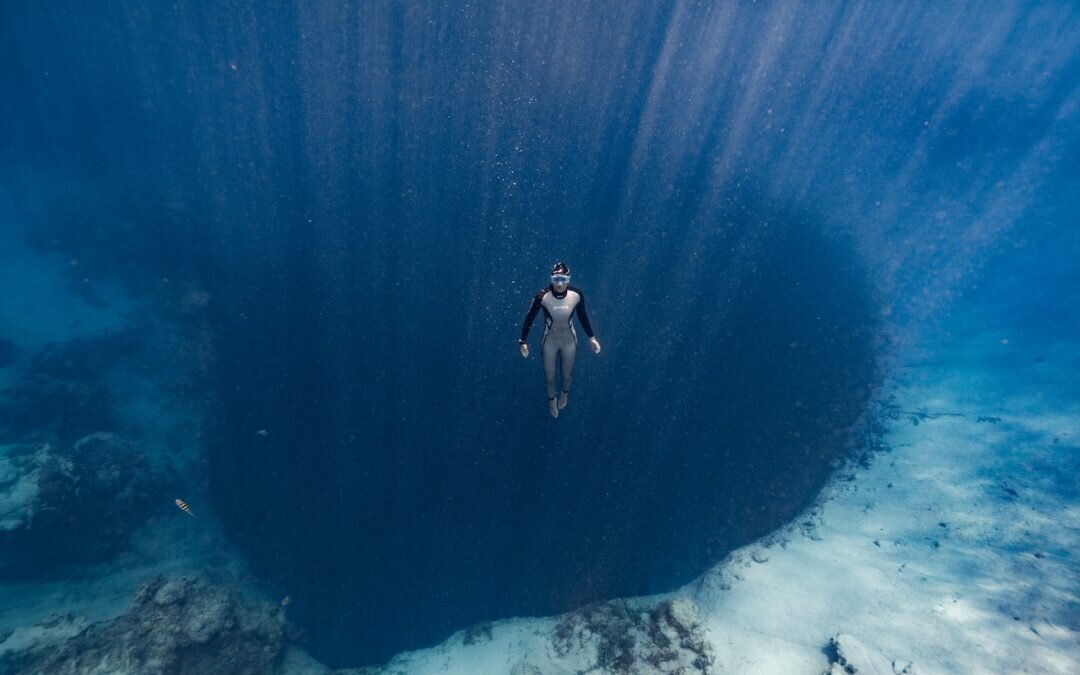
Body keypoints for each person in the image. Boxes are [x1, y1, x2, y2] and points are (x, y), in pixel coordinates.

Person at [519, 262, 601, 418]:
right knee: (549, 377)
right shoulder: (542, 297)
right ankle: (552, 402)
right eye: (556, 279)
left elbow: (583, 317)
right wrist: (522, 340)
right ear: (551, 279)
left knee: (566, 375)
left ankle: (564, 394)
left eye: (563, 279)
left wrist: (592, 337)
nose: (560, 283)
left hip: (569, 342)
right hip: (549, 342)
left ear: (569, 279)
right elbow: (529, 318)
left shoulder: (576, 295)